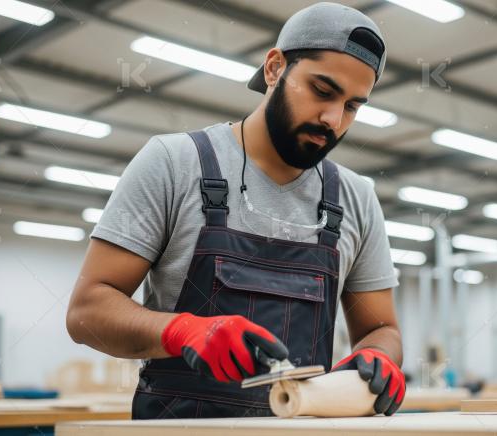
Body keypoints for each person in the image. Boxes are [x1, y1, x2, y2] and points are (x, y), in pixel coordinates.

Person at [66, 2, 405, 419]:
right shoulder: (174, 163)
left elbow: (381, 329)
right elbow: (87, 312)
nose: (333, 119)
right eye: (322, 90)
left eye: (353, 106)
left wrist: (380, 358)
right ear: (275, 68)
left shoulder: (356, 198)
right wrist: (183, 331)